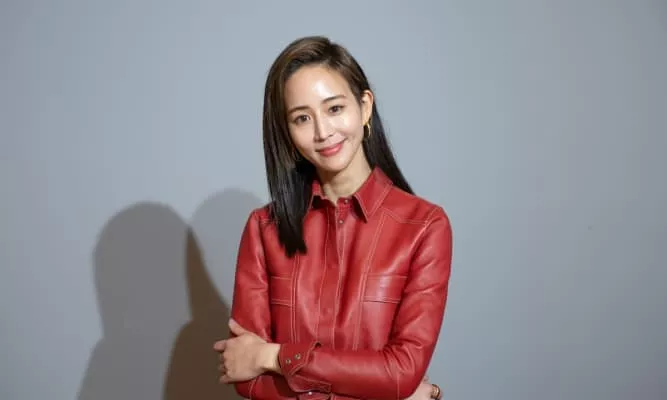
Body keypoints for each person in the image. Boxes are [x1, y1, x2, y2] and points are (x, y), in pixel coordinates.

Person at [213, 35, 452, 400]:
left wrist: (272, 356)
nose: (323, 132)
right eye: (302, 118)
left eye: (335, 108)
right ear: (287, 132)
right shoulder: (264, 229)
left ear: (365, 107)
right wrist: (384, 390)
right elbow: (247, 379)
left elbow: (401, 372)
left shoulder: (425, 227)